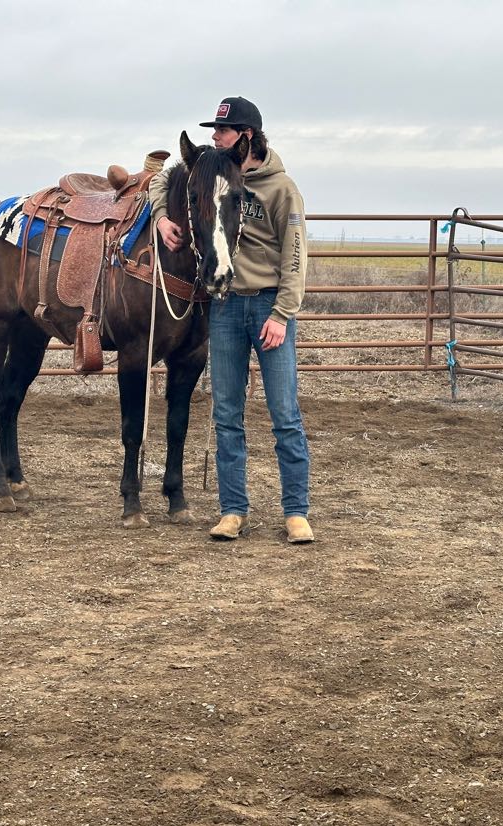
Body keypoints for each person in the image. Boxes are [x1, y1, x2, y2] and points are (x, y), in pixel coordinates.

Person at [151, 96, 313, 544]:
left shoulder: (281, 189)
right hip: (224, 307)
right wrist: (161, 217)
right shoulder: (214, 174)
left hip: (268, 308)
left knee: (284, 413)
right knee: (225, 413)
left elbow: (295, 256)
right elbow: (162, 179)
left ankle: (296, 511)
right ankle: (233, 510)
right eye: (213, 131)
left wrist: (282, 313)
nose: (215, 137)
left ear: (245, 137)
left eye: (222, 131)